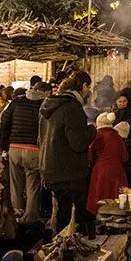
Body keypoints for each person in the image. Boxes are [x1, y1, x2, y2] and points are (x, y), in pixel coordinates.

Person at [39, 70, 97, 232]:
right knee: (71, 216)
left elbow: (41, 139)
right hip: (70, 172)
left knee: (62, 212)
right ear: (84, 86)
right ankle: (68, 244)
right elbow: (78, 143)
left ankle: (61, 242)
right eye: (88, 87)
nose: (88, 91)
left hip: (51, 167)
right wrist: (92, 129)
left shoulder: (47, 105)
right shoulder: (72, 107)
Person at [0, 81, 49, 222]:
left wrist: (4, 147)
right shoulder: (45, 104)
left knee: (15, 186)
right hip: (34, 150)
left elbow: (4, 123)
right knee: (32, 186)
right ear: (45, 92)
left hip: (14, 148)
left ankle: (15, 218)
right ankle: (30, 219)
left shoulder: (16, 101)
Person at [87, 112, 130, 215]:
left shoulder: (98, 137)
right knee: (117, 197)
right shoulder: (118, 137)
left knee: (100, 196)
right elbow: (125, 157)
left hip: (101, 170)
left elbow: (90, 156)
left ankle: (100, 219)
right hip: (117, 170)